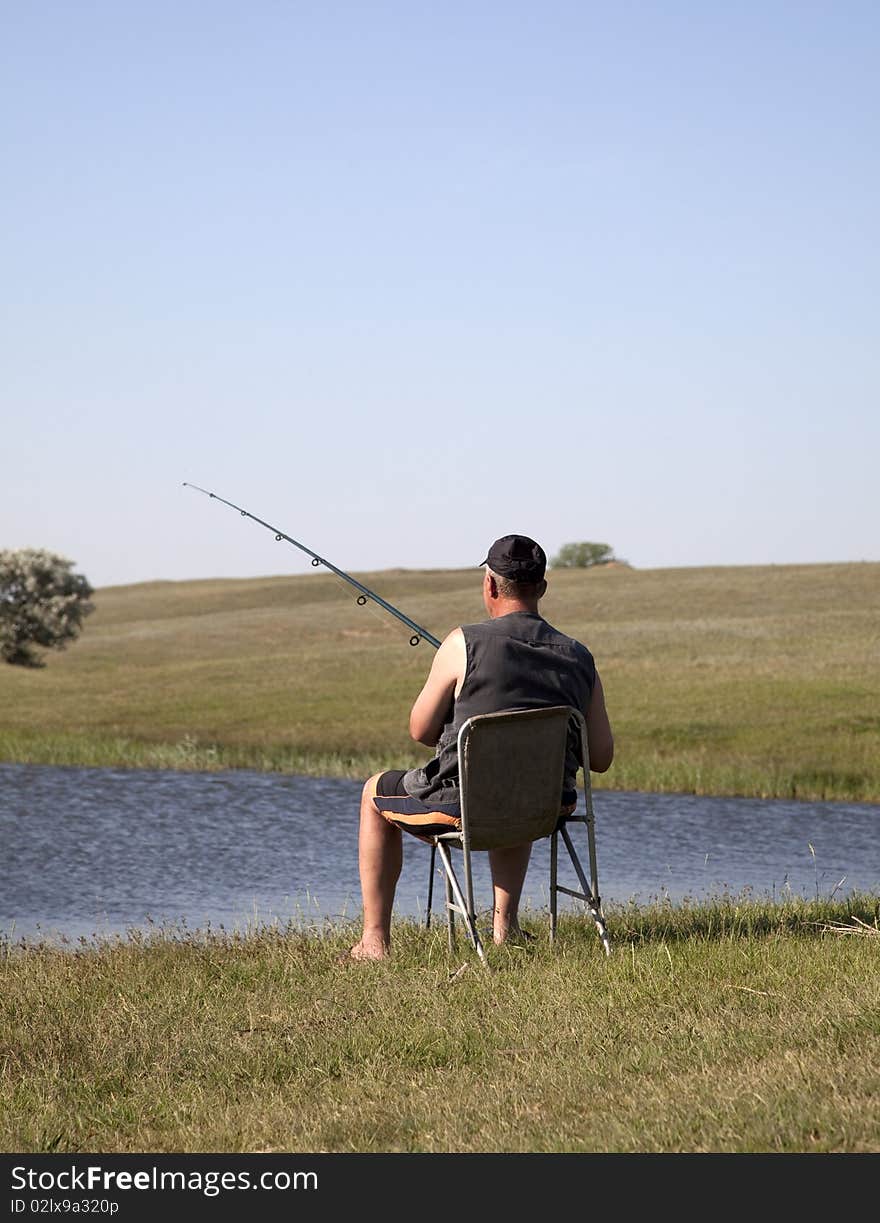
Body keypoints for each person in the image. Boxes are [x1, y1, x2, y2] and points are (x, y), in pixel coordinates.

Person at [347, 535, 614, 961]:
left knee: (372, 792)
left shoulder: (461, 643)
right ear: (542, 588)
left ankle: (374, 941)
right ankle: (503, 927)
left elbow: (419, 729)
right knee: (518, 779)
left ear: (490, 586)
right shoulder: (581, 657)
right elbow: (600, 758)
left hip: (463, 806)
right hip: (547, 806)